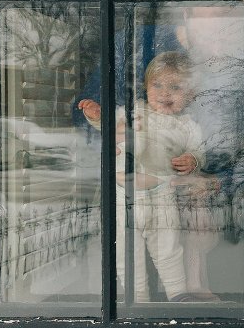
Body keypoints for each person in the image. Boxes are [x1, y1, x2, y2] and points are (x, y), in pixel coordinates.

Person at [78, 51, 215, 302]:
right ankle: (137, 298)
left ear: (190, 94)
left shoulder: (187, 125)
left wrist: (193, 159)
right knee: (127, 252)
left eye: (175, 87)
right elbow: (111, 127)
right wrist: (96, 116)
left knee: (169, 249)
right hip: (124, 198)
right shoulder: (134, 112)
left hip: (162, 197)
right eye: (158, 85)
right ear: (146, 87)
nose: (165, 93)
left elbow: (199, 150)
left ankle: (177, 294)